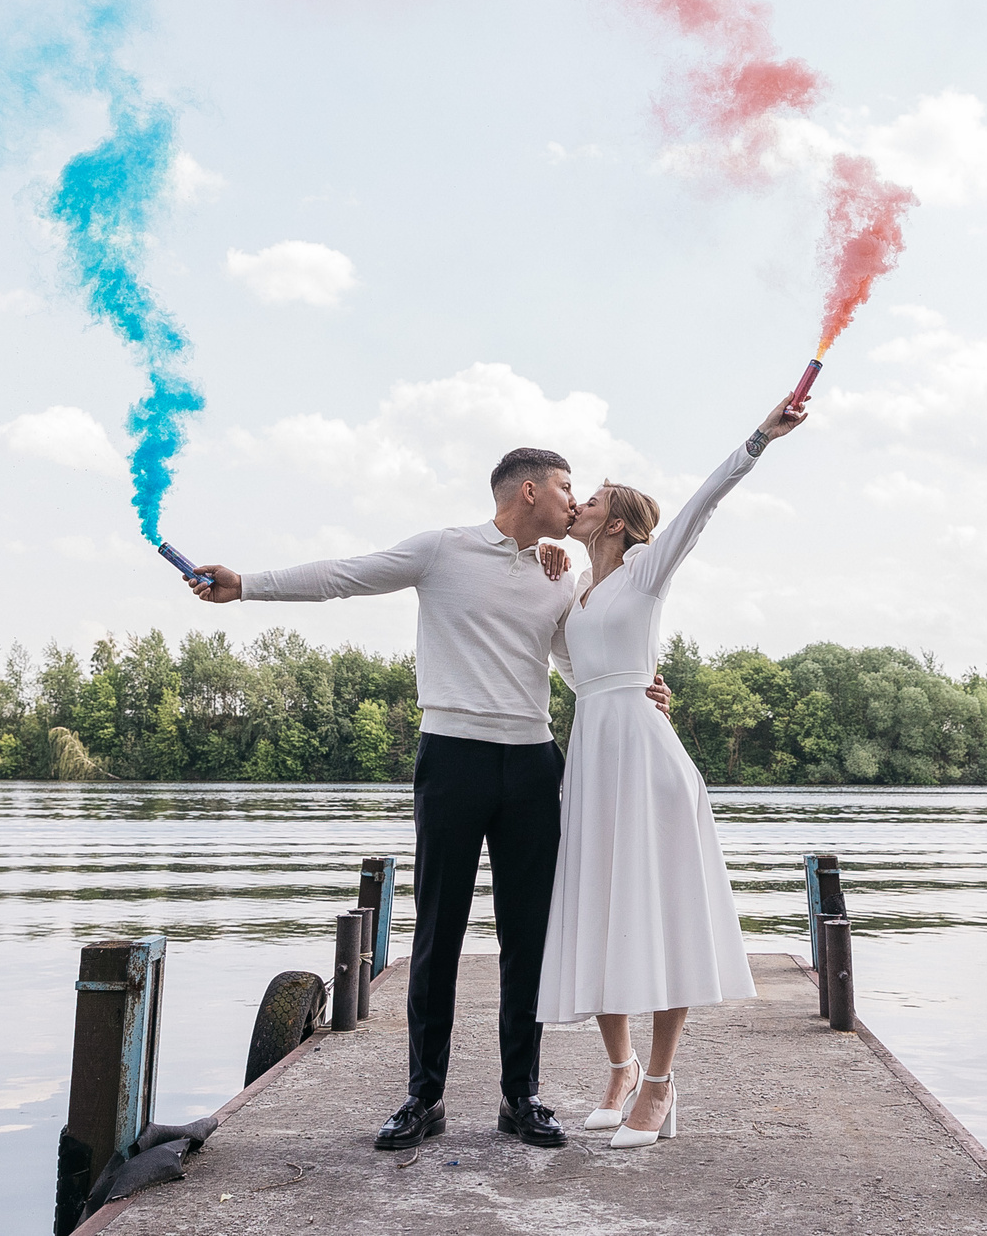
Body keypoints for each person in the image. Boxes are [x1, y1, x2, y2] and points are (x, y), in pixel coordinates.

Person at [183, 447, 670, 1152]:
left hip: (534, 764)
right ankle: (423, 1097)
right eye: (566, 487)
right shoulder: (442, 550)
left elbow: (578, 664)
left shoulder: (557, 577)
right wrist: (246, 584)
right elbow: (341, 576)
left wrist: (640, 687)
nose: (574, 501)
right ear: (528, 490)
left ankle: (521, 1097)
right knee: (438, 934)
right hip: (453, 759)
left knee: (525, 939)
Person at [536, 393, 806, 1150]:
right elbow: (568, 663)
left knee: (660, 917)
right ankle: (618, 1068)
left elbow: (701, 505)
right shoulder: (575, 592)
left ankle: (660, 1082)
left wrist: (761, 436)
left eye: (589, 498)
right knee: (601, 910)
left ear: (616, 521)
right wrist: (546, 567)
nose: (578, 503)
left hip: (647, 760)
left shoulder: (646, 571)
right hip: (593, 757)